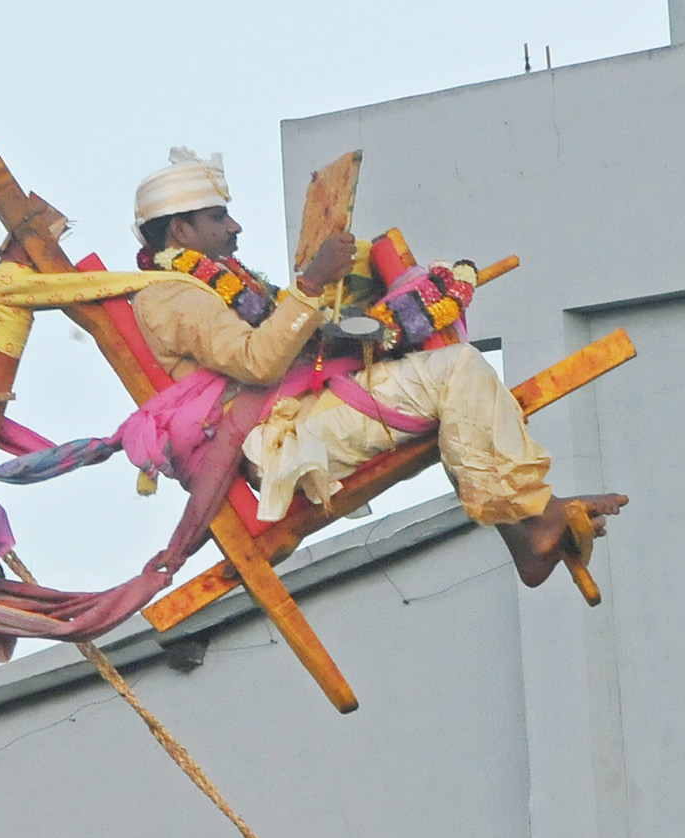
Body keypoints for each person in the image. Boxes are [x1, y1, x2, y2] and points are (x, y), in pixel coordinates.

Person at [129, 147, 627, 589]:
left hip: (305, 417)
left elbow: (291, 343)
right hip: (285, 442)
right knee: (455, 370)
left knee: (434, 373)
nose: (234, 228)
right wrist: (310, 282)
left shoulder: (211, 281)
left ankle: (526, 542)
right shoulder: (168, 294)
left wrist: (344, 290)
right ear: (179, 230)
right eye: (218, 217)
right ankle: (539, 515)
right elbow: (259, 362)